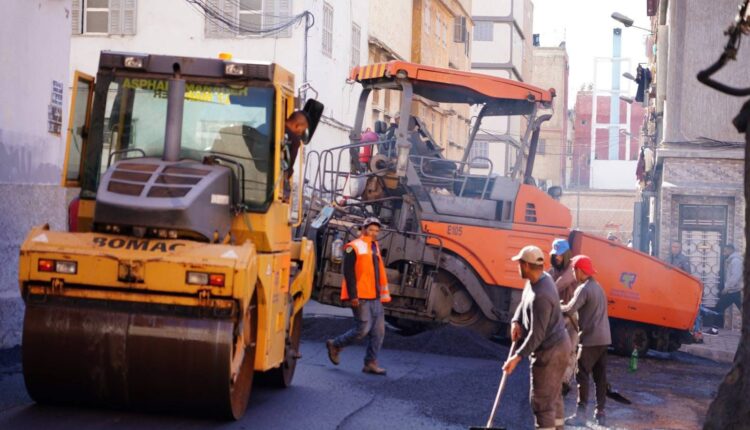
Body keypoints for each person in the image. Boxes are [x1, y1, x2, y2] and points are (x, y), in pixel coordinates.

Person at [503, 245, 571, 430]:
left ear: (526, 265)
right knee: (553, 397)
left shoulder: (541, 296)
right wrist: (516, 321)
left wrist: (517, 357)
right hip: (559, 346)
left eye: (519, 263)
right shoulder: (538, 279)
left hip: (551, 351)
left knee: (542, 403)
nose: (517, 266)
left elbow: (536, 335)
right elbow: (523, 301)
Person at [326, 217, 392, 375]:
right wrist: (353, 296)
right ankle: (336, 344)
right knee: (362, 329)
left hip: (375, 296)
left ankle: (370, 363)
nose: (374, 233)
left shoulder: (374, 247)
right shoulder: (353, 247)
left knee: (379, 332)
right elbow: (348, 273)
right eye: (371, 230)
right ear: (363, 229)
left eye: (376, 230)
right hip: (360, 296)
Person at [562, 255, 611, 427]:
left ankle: (580, 415)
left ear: (580, 271)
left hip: (590, 339)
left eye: (574, 270)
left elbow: (569, 309)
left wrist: (556, 306)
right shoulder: (598, 287)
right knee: (600, 377)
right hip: (604, 339)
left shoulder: (583, 289)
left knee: (581, 374)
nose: (573, 274)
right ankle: (600, 413)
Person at [547, 238, 579, 396]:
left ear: (566, 254)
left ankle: (565, 382)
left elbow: (561, 283)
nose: (557, 257)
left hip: (573, 315)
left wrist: (548, 289)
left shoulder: (573, 269)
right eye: (555, 255)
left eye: (559, 255)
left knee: (570, 349)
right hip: (558, 315)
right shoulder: (553, 271)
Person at [709, 244, 743, 329]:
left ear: (731, 250)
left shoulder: (735, 261)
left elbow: (735, 276)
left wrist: (727, 288)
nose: (724, 253)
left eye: (725, 251)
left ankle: (714, 329)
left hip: (732, 290)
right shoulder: (732, 260)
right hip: (734, 290)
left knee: (719, 307)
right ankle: (714, 329)